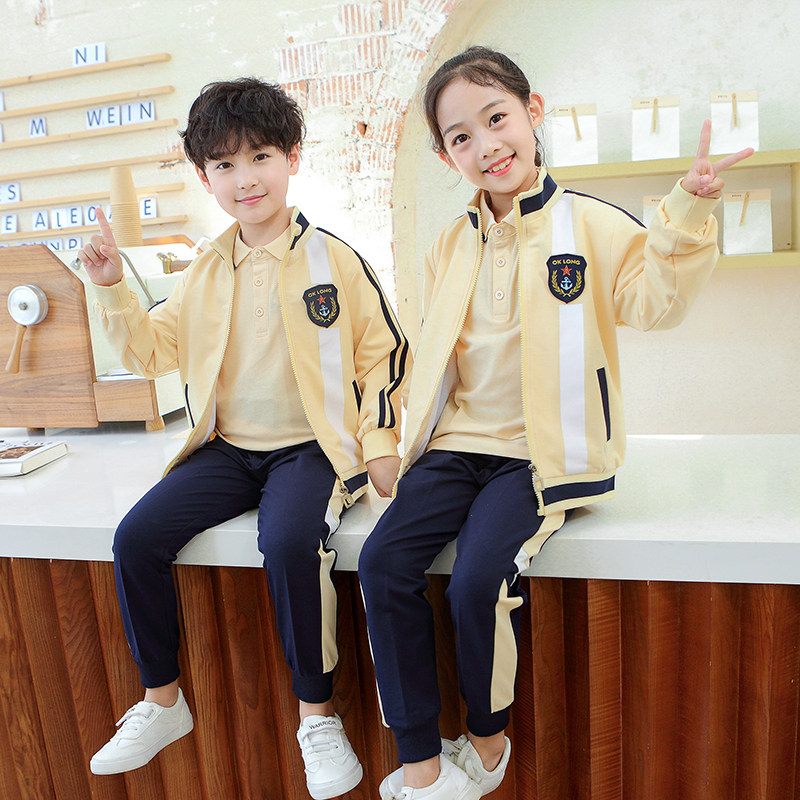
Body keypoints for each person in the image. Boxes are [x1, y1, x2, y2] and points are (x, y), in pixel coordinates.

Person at [358, 46, 753, 800]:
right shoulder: (448, 243)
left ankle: (488, 743)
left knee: (478, 580)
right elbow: (434, 352)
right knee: (380, 563)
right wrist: (392, 441)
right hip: (454, 447)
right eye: (462, 137)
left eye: (496, 118)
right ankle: (420, 763)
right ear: (446, 157)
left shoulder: (591, 223)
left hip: (539, 456)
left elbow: (653, 303)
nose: (486, 145)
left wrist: (688, 211)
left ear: (531, 112)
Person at [80, 77, 408, 800]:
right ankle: (162, 699)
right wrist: (110, 287)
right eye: (224, 164)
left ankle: (317, 715)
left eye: (260, 156)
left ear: (292, 158)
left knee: (289, 543)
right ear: (206, 179)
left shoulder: (334, 261)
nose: (245, 178)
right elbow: (152, 352)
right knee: (136, 537)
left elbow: (383, 356)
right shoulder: (204, 268)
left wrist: (380, 443)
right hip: (228, 450)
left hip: (309, 450)